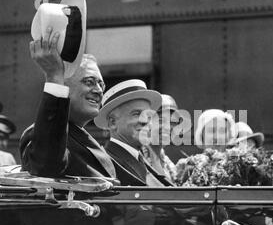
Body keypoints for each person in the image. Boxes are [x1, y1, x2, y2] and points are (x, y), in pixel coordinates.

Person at [20, 30, 116, 180]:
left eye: (101, 84)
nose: (98, 90)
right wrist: (54, 76)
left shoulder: (81, 136)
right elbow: (46, 167)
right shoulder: (39, 134)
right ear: (64, 85)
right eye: (89, 82)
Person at [94, 79, 173, 186]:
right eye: (136, 114)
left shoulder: (142, 160)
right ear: (113, 122)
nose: (146, 121)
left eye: (149, 116)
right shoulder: (105, 164)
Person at [141, 94, 180, 184]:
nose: (168, 127)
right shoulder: (138, 159)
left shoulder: (168, 164)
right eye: (161, 120)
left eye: (173, 122)